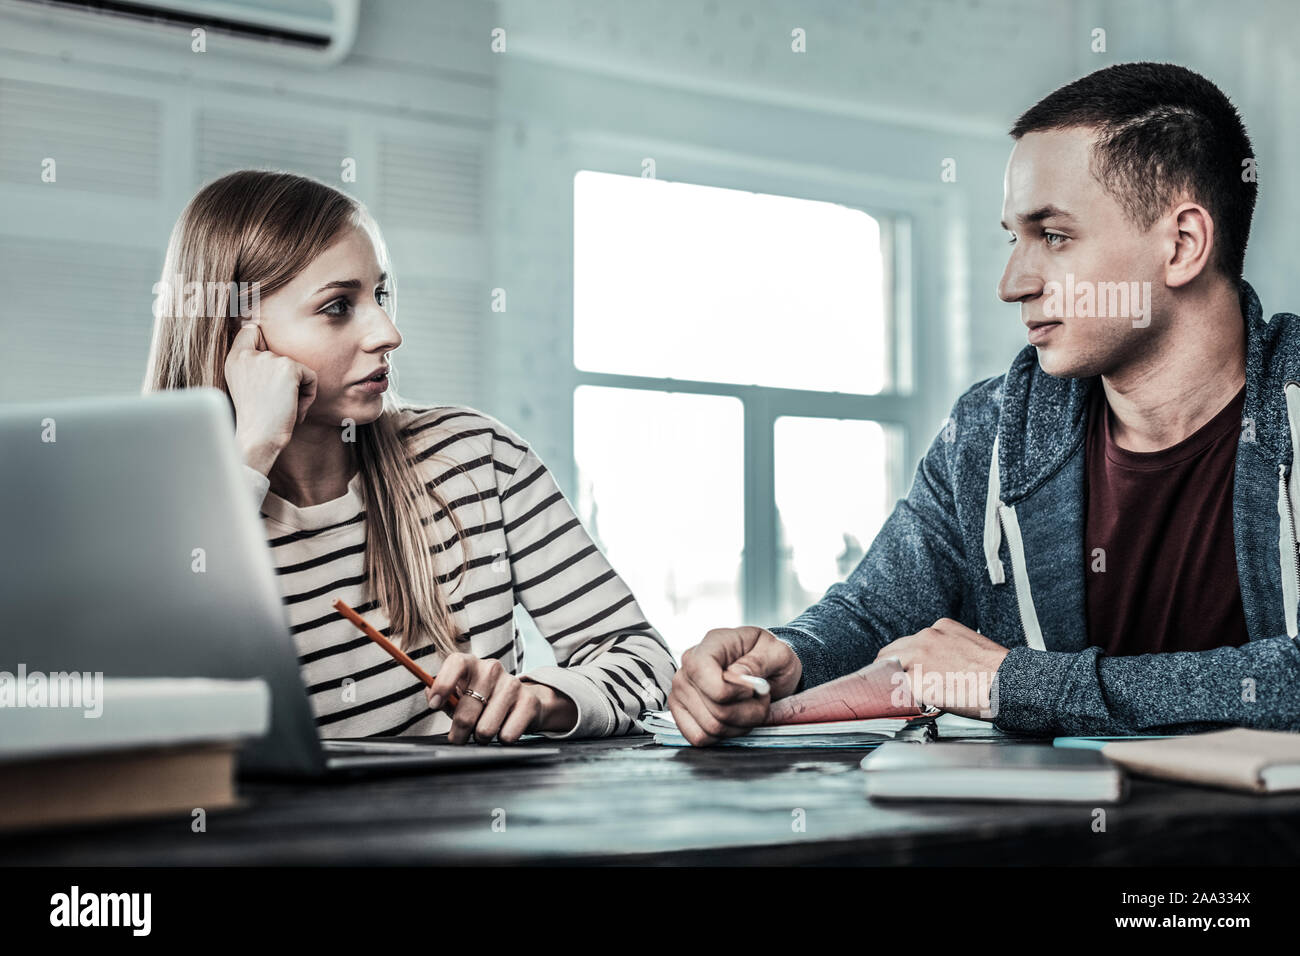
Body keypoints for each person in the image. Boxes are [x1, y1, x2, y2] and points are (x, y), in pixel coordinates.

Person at [671, 61, 1300, 744]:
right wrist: (787, 658)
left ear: (1181, 245)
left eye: (1053, 236)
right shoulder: (993, 429)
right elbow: (878, 611)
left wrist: (1019, 685)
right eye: (1013, 238)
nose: (1012, 283)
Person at [143, 169, 675, 744]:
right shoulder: (159, 512)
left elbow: (644, 658)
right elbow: (140, 701)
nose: (388, 333)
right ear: (237, 337)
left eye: (381, 294)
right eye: (337, 306)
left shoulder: (479, 459)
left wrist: (543, 699)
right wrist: (253, 453)